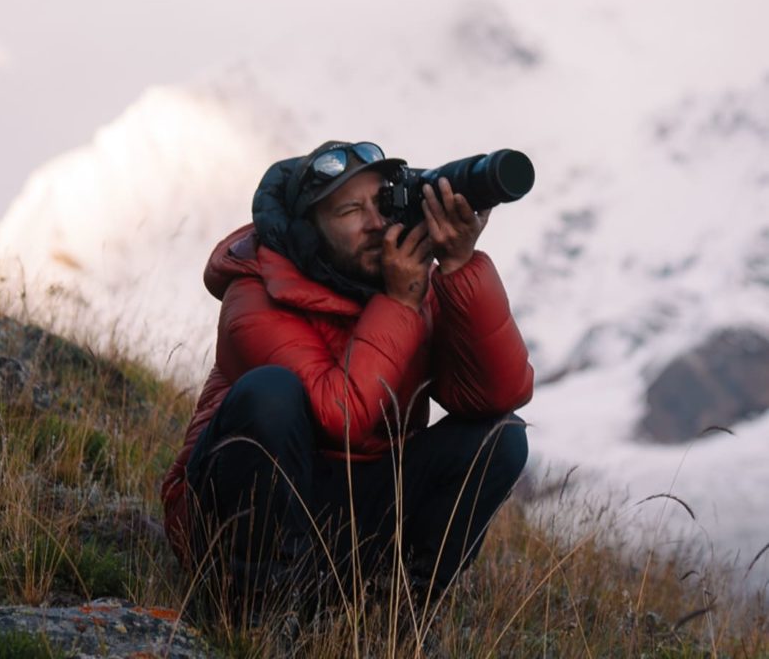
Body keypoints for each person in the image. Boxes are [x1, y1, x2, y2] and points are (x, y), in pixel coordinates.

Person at [161, 140, 533, 625]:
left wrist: (460, 266)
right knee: (270, 394)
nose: (375, 223)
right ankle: (254, 615)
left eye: (379, 204)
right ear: (309, 229)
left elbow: (498, 394)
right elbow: (341, 416)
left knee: (499, 439)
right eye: (350, 210)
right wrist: (399, 304)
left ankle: (389, 613)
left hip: (347, 516)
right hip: (235, 515)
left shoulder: (403, 281)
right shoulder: (253, 293)